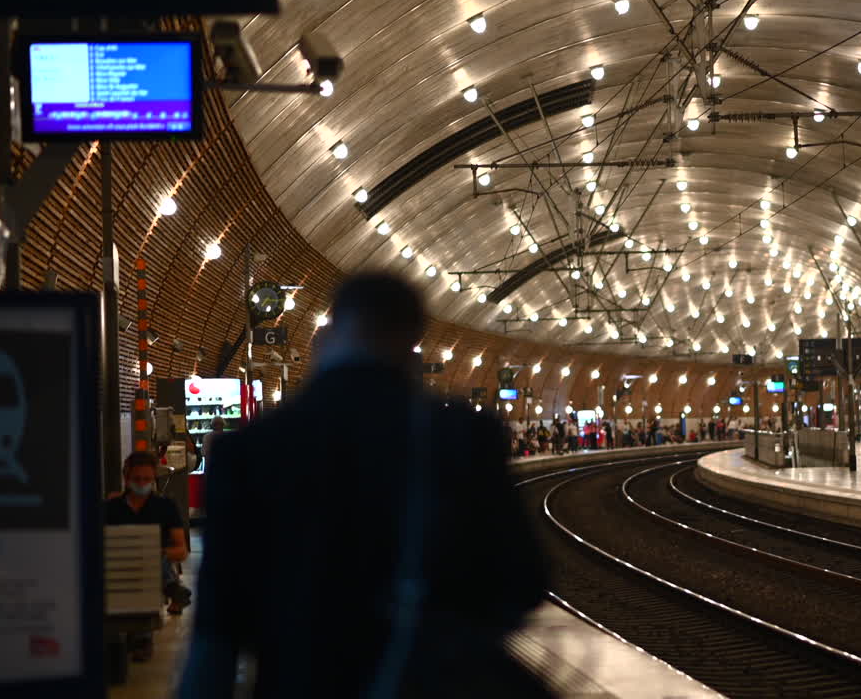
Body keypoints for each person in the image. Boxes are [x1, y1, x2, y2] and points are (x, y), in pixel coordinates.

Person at [178, 273, 548, 698]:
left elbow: (217, 629)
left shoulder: (247, 449)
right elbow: (521, 581)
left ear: (332, 330)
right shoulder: (462, 435)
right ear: (413, 336)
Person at [104, 451, 192, 659]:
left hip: (151, 567)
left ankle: (142, 635)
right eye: (137, 479)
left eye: (147, 479)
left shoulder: (164, 507)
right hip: (116, 565)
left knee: (150, 552)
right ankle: (171, 587)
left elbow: (181, 550)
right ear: (126, 478)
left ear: (153, 479)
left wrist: (157, 552)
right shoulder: (110, 508)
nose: (142, 483)